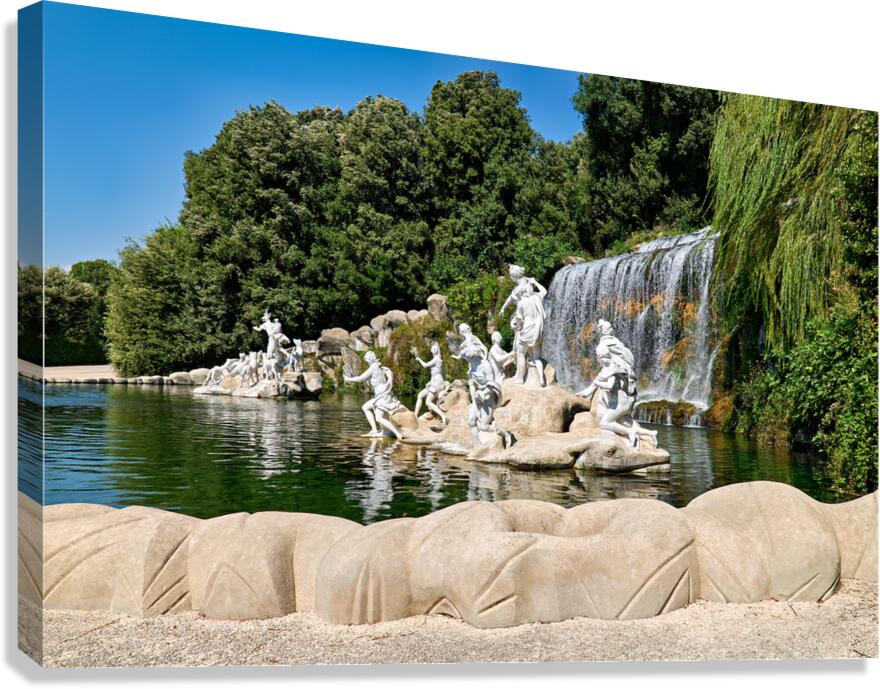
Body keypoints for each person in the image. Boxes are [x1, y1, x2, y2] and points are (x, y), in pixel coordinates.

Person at [577, 320, 657, 447]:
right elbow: (603, 375)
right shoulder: (613, 357)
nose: (599, 359)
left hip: (621, 403)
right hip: (619, 402)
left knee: (605, 423)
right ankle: (650, 433)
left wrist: (597, 384)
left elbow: (608, 382)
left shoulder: (614, 365)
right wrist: (590, 389)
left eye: (599, 356)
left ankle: (630, 433)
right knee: (615, 421)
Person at [343, 351, 405, 439]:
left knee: (379, 418)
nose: (366, 361)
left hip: (382, 396)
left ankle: (397, 433)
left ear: (370, 358)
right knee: (365, 407)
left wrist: (348, 379)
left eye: (366, 359)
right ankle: (374, 429)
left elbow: (361, 379)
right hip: (381, 395)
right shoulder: (379, 366)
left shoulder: (373, 367)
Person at [512, 280, 547, 386]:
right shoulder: (536, 298)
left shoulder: (521, 303)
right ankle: (542, 379)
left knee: (521, 353)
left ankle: (520, 379)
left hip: (527, 332)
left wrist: (515, 325)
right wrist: (535, 282)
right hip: (537, 332)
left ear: (520, 293)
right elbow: (544, 291)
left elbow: (519, 319)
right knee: (537, 357)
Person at [414, 342, 449, 425]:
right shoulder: (438, 359)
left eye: (434, 348)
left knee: (428, 402)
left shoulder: (436, 359)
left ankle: (443, 416)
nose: (433, 350)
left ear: (436, 350)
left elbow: (425, 365)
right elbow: (443, 373)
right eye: (433, 348)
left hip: (436, 384)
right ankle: (415, 416)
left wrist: (419, 359)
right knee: (420, 395)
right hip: (433, 383)